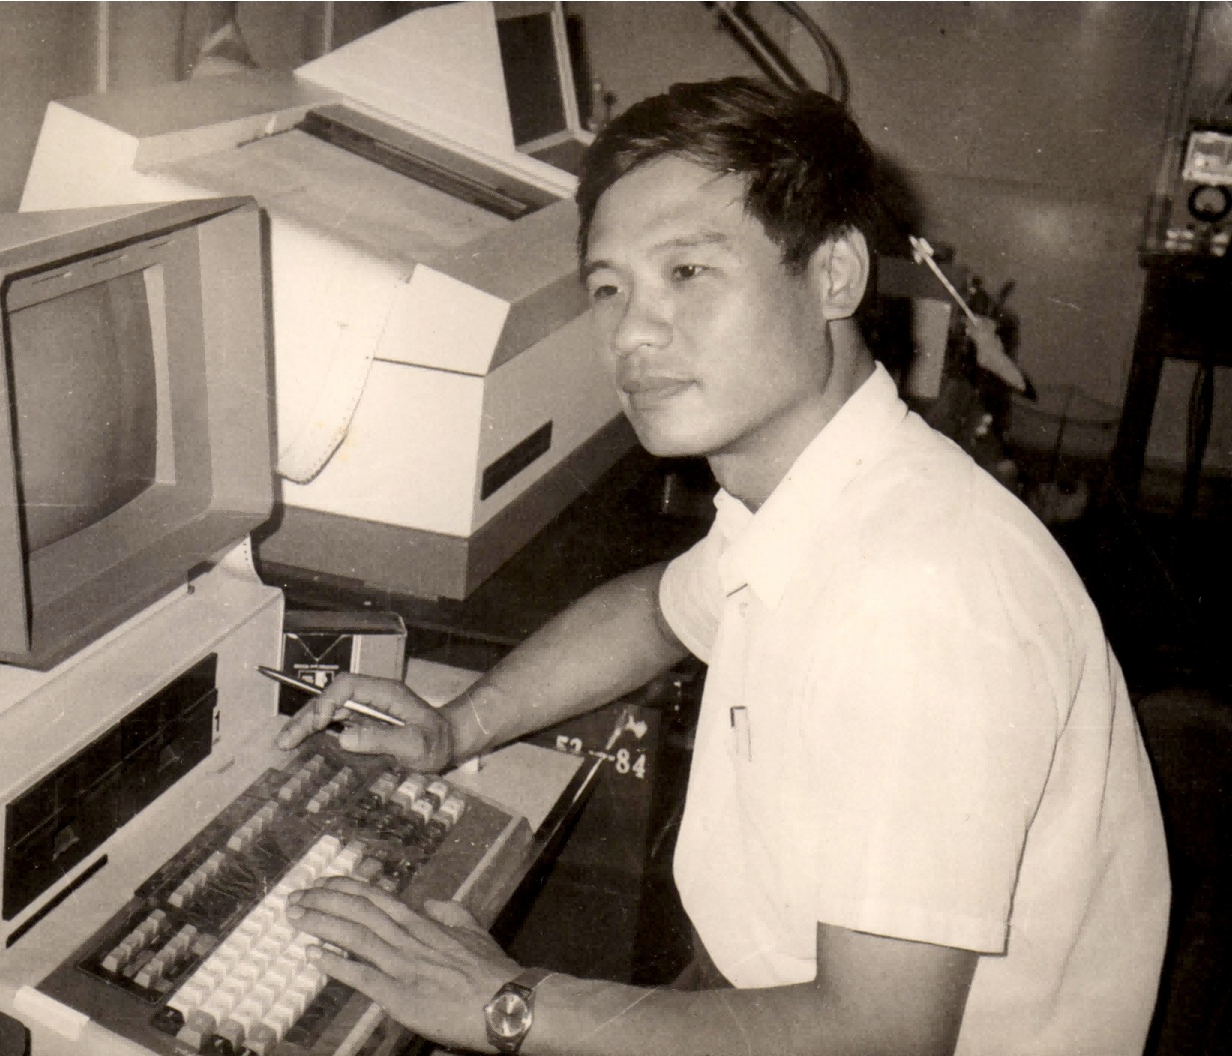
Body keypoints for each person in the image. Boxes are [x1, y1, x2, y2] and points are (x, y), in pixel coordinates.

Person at [274, 78, 1170, 1056]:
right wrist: (459, 725)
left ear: (833, 276)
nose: (632, 332)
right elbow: (659, 610)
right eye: (609, 288)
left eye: (688, 271)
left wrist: (507, 1004)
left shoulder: (922, 598)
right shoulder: (824, 491)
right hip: (766, 984)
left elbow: (877, 1036)